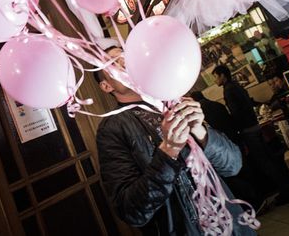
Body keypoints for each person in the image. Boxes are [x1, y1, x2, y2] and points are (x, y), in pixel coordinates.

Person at [95, 48, 256, 235]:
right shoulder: (112, 128)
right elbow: (132, 212)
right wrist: (168, 150)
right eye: (114, 63)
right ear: (107, 86)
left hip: (232, 225)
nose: (126, 62)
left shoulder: (172, 102)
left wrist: (200, 131)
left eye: (127, 56)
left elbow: (233, 164)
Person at [212, 65, 289, 205]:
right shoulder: (237, 86)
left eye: (216, 76)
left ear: (222, 76)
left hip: (248, 130)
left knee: (264, 162)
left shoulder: (229, 90)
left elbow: (236, 113)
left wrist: (233, 128)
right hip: (255, 126)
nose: (215, 80)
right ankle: (288, 188)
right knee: (269, 158)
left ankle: (286, 191)